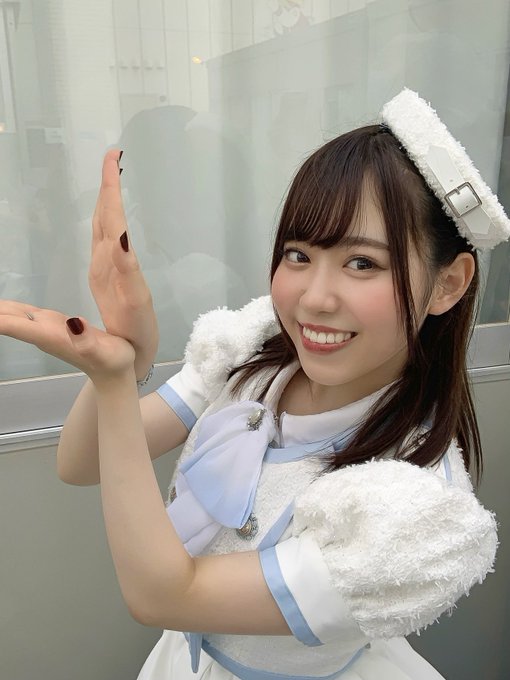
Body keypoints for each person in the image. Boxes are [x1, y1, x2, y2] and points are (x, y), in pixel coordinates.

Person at [0, 89, 507, 680]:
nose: (314, 299)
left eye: (362, 263)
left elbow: (164, 596)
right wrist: (124, 358)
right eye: (298, 255)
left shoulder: (411, 510)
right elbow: (83, 461)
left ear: (448, 284)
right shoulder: (253, 352)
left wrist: (116, 383)